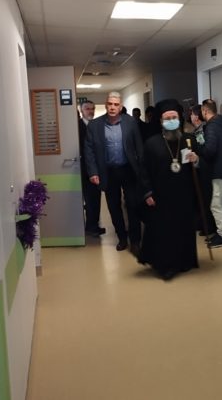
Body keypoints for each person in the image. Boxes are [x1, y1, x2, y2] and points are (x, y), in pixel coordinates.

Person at [140, 99, 200, 280]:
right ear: (160, 121)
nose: (171, 121)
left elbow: (199, 167)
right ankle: (166, 266)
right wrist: (147, 192)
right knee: (164, 232)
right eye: (167, 118)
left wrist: (196, 160)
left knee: (183, 229)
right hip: (161, 197)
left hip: (184, 195)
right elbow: (143, 171)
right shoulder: (151, 143)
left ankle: (184, 261)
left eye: (174, 117)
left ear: (179, 119)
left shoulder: (188, 140)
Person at [84, 91, 143, 252]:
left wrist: (141, 170)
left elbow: (139, 147)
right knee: (114, 207)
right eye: (110, 104)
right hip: (108, 172)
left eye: (116, 105)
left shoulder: (130, 122)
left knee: (132, 205)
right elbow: (89, 151)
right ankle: (122, 238)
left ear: (120, 107)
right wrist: (93, 172)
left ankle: (135, 240)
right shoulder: (95, 125)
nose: (112, 107)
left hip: (128, 170)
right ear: (106, 105)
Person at [200, 99, 222, 248]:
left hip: (217, 170)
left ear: (205, 111)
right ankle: (221, 232)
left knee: (216, 204)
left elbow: (210, 150)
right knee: (221, 202)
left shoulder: (211, 127)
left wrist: (200, 148)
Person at [78, 100, 106, 237]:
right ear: (81, 111)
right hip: (82, 169)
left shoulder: (97, 126)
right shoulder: (76, 127)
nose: (90, 111)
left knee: (95, 198)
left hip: (96, 169)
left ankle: (93, 225)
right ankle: (90, 226)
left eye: (92, 108)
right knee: (88, 200)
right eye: (87, 109)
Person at [189, 105, 216, 238]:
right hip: (199, 168)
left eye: (192, 114)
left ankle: (208, 226)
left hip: (205, 169)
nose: (190, 117)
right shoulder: (196, 130)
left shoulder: (202, 130)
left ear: (196, 117)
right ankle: (202, 223)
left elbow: (203, 150)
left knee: (206, 198)